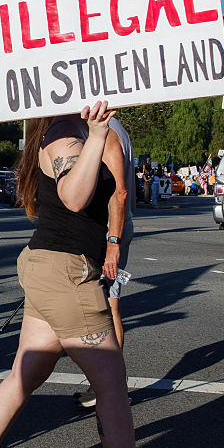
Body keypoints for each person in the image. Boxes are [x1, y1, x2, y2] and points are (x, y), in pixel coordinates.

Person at [0, 102, 190, 448]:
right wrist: (96, 136)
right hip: (65, 273)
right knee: (111, 385)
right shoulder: (64, 133)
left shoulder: (68, 130)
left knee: (27, 371)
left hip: (53, 268)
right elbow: (73, 198)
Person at [74, 117, 134, 408]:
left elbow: (118, 191)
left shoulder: (107, 131)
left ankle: (110, 385)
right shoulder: (113, 128)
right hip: (111, 229)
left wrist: (113, 242)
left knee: (108, 308)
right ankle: (106, 383)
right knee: (106, 306)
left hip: (110, 230)